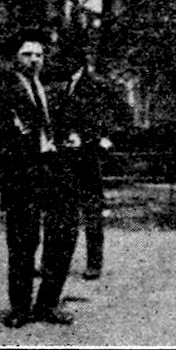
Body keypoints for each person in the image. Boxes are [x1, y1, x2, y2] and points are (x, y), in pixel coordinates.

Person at [0, 29, 76, 327]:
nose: (34, 60)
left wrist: (67, 137)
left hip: (52, 169)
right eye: (27, 54)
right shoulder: (2, 88)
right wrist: (12, 137)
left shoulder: (47, 87)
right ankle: (20, 308)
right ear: (14, 58)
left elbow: (57, 122)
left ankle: (48, 304)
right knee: (23, 241)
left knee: (62, 236)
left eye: (39, 55)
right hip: (22, 173)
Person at [56, 54, 130, 281]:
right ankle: (57, 261)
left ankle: (94, 263)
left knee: (91, 210)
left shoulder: (97, 84)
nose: (59, 62)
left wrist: (104, 138)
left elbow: (123, 113)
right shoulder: (66, 84)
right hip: (66, 155)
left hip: (88, 156)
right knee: (63, 210)